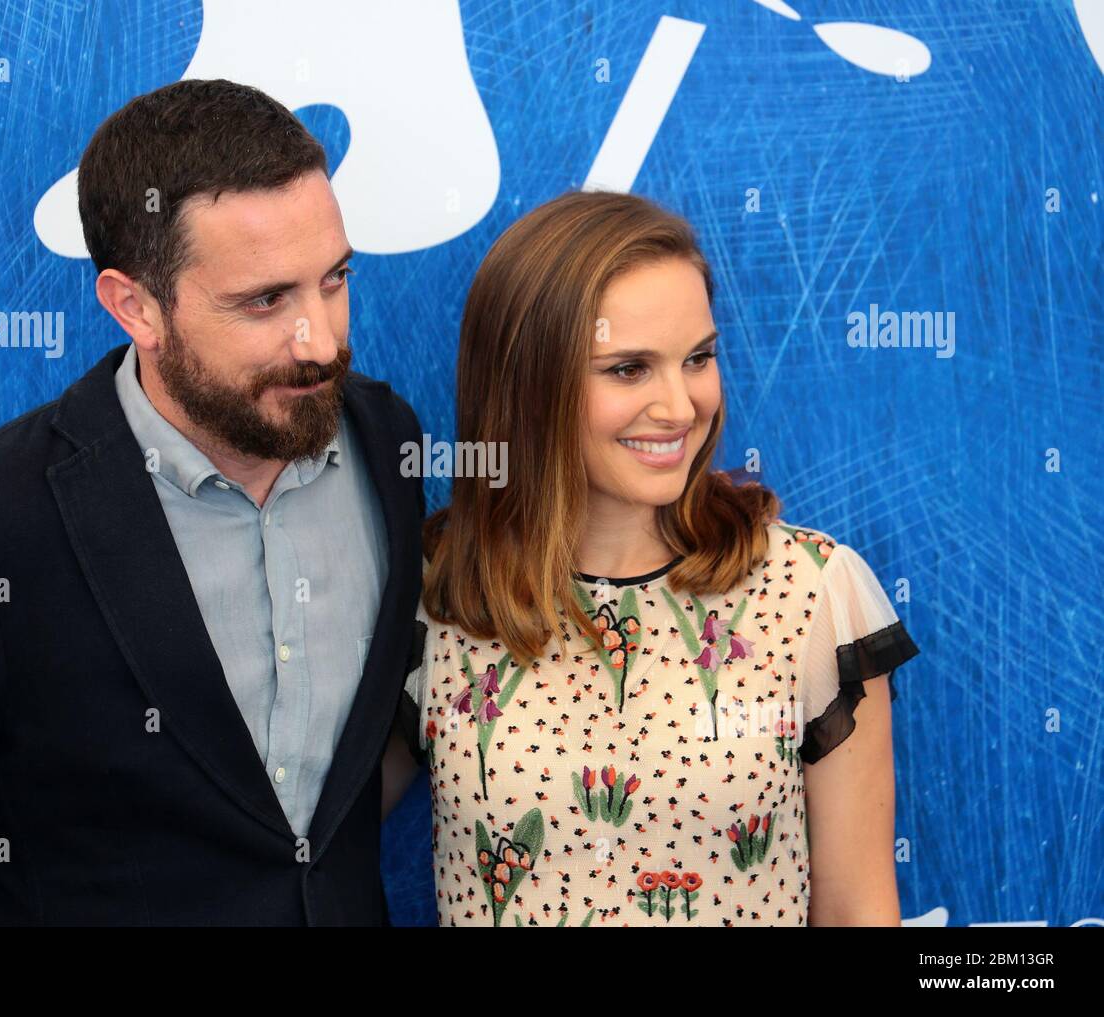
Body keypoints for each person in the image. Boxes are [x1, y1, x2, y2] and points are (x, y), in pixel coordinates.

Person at [0, 79, 426, 925]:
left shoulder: (385, 441)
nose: (320, 339)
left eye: (334, 279)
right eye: (264, 301)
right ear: (134, 306)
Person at [382, 190, 921, 926]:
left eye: (697, 357)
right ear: (527, 384)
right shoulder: (433, 598)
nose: (679, 405)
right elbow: (297, 848)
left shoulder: (811, 592)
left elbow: (859, 911)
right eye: (629, 368)